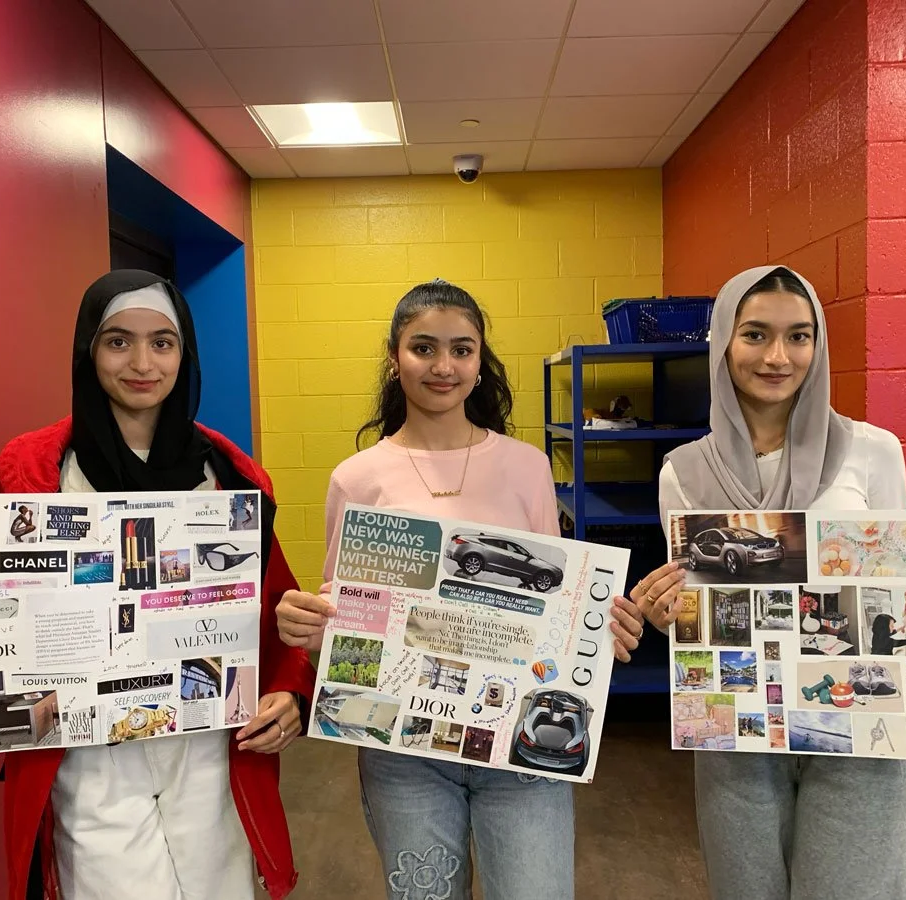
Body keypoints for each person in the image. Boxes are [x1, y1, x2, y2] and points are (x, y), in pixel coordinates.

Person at [0, 270, 315, 900]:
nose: (142, 363)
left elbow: (273, 613)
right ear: (88, 349)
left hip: (208, 755)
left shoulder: (229, 476)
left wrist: (290, 691)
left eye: (162, 342)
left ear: (185, 353)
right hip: (87, 762)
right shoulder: (28, 473)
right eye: (118, 341)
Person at [629, 266, 906, 900]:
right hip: (741, 736)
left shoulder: (872, 451)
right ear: (723, 342)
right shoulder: (684, 472)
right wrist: (668, 614)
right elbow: (701, 623)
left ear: (818, 344)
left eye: (799, 336)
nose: (777, 357)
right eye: (755, 334)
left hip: (859, 729)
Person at [274, 280, 645, 900]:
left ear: (479, 361)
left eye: (461, 350)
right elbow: (345, 621)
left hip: (521, 741)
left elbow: (558, 605)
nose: (443, 366)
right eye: (424, 348)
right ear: (395, 359)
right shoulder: (356, 478)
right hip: (403, 749)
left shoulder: (526, 465)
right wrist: (311, 629)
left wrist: (603, 625)